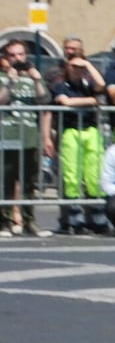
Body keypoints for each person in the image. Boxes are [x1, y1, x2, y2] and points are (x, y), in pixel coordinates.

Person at [49, 39, 109, 234]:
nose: (76, 69)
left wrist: (88, 65)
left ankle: (98, 216)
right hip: (71, 131)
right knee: (71, 175)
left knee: (93, 173)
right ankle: (75, 217)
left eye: (79, 65)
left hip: (90, 130)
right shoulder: (60, 82)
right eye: (73, 66)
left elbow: (101, 86)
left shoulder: (88, 81)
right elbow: (65, 102)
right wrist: (92, 100)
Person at [0, 39, 45, 235]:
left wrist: (36, 80)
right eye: (13, 55)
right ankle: (5, 221)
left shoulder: (32, 76)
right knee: (6, 181)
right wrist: (10, 82)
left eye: (21, 54)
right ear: (6, 58)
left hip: (29, 135)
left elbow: (44, 100)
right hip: (7, 134)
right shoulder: (3, 77)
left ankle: (29, 221)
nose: (18, 58)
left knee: (29, 182)